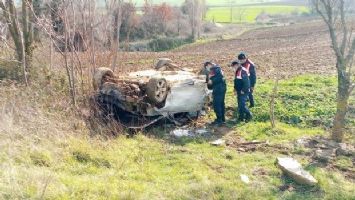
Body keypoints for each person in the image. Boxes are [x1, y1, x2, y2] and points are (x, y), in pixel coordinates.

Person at [204, 61, 227, 126]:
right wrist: (209, 83)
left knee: (217, 104)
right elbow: (210, 84)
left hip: (219, 89)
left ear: (209, 65)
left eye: (207, 66)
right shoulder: (212, 71)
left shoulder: (216, 69)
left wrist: (212, 81)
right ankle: (222, 119)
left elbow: (220, 77)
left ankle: (219, 120)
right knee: (221, 104)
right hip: (219, 89)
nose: (207, 68)